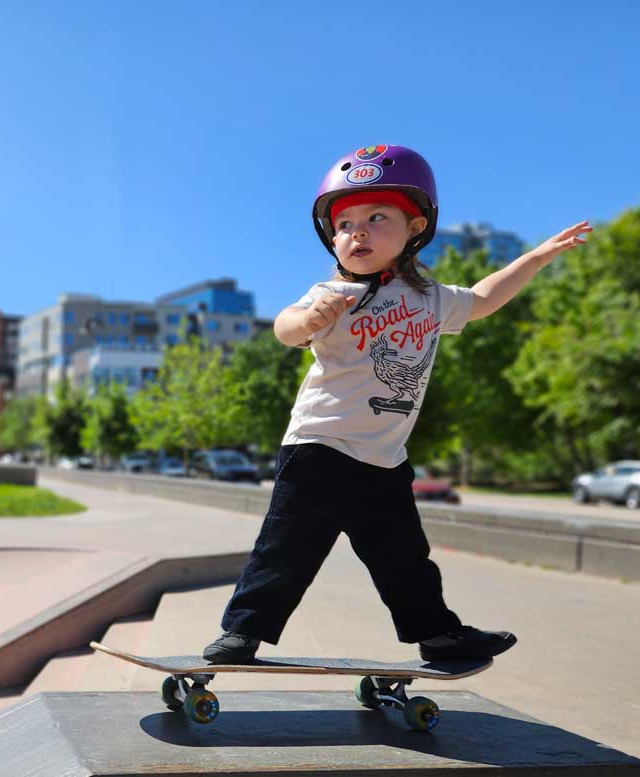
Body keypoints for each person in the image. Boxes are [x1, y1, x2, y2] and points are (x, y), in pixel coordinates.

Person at [203, 143, 591, 664]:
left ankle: (437, 634)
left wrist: (537, 258)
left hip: (384, 459)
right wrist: (311, 319)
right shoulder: (330, 293)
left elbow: (484, 299)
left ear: (415, 228)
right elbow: (284, 328)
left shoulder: (431, 297)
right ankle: (241, 633)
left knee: (405, 559)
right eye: (344, 224)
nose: (356, 232)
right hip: (320, 446)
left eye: (376, 218)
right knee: (287, 550)